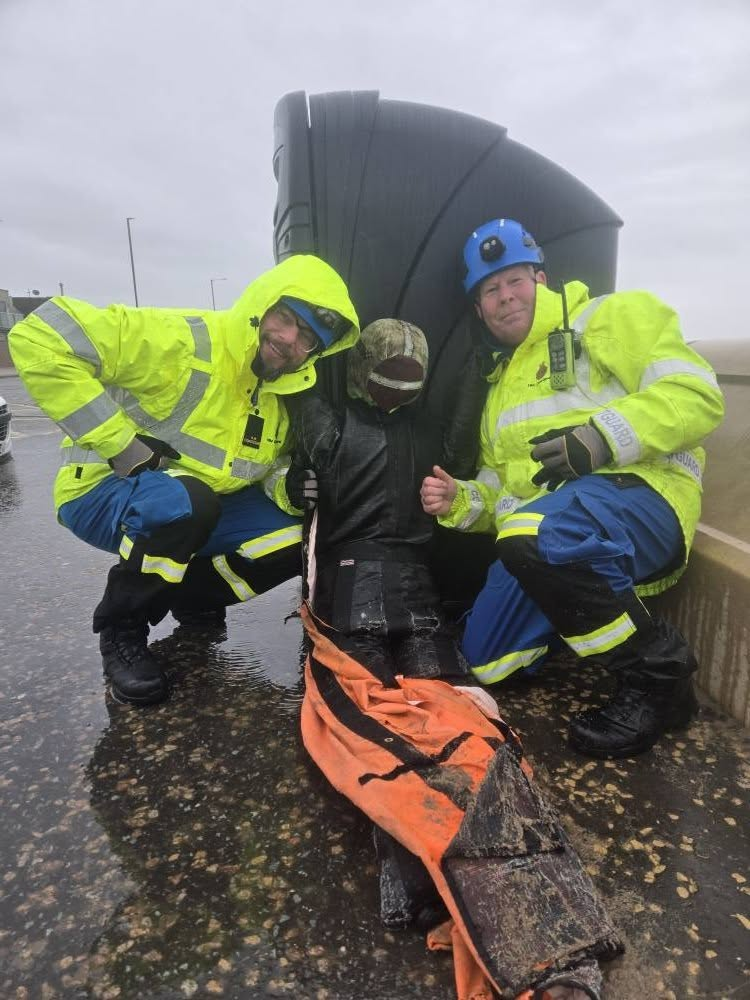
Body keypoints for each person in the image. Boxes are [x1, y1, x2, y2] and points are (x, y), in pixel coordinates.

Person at [289, 320, 621, 1000]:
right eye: (390, 380)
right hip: (400, 594)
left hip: (362, 594)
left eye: (406, 381)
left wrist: (301, 479)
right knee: (437, 724)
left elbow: (298, 397)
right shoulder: (420, 430)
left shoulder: (340, 422)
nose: (397, 392)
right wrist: (296, 483)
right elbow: (455, 413)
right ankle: (438, 872)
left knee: (393, 728)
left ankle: (420, 868)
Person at [420, 218, 725, 759]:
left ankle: (659, 677)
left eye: (514, 280)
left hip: (646, 497)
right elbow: (503, 490)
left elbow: (696, 395)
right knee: (485, 661)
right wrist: (463, 500)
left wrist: (603, 437)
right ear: (478, 309)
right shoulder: (498, 389)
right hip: (548, 531)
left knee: (535, 531)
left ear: (541, 279)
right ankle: (582, 613)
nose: (505, 297)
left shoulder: (608, 316)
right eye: (489, 290)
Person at [9, 254, 359, 706]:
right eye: (286, 318)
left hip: (196, 504)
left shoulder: (282, 393)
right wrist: (120, 445)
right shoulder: (182, 339)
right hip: (101, 490)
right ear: (262, 305)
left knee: (305, 534)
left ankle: (189, 596)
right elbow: (40, 335)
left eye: (308, 337)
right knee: (186, 503)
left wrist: (287, 486)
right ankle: (122, 630)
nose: (289, 339)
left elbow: (261, 469)